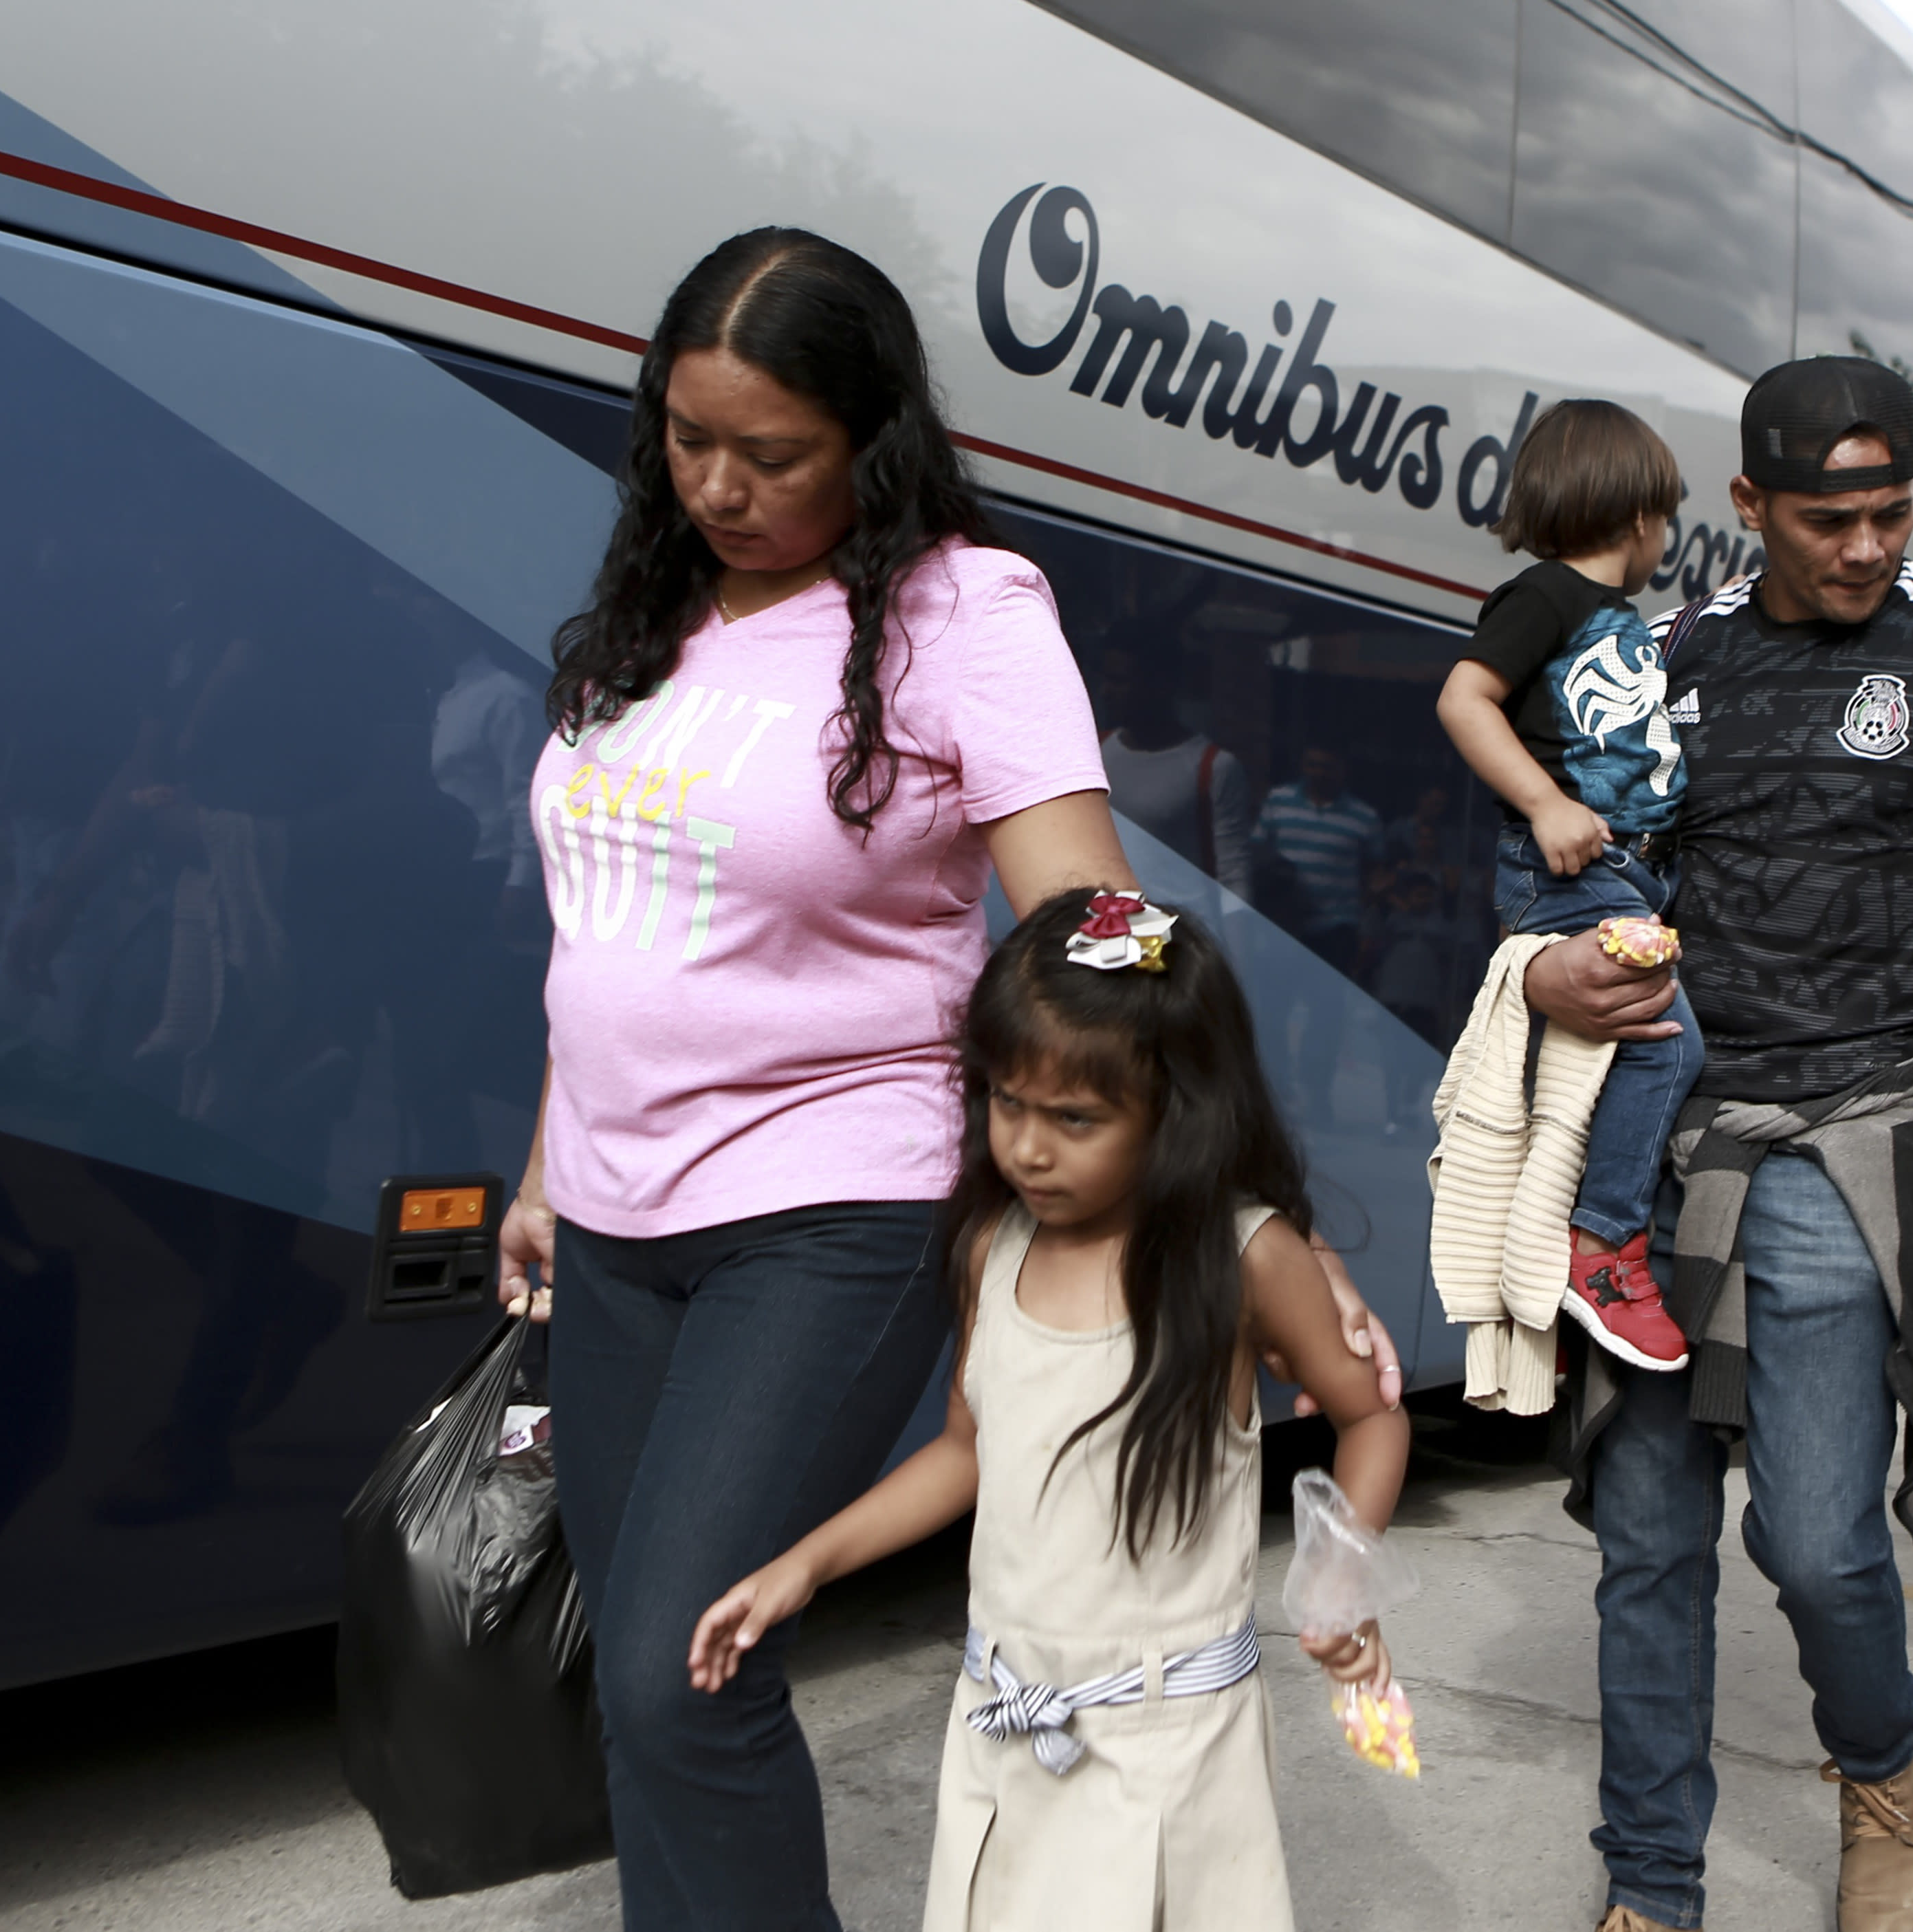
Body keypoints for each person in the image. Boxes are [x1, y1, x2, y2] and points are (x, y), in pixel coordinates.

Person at [490, 228, 1401, 1931]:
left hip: (830, 1204)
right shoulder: (653, 610)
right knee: (641, 1677)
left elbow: (1095, 929)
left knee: (683, 1666)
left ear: (872, 440)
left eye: (771, 457)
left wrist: (1245, 1194)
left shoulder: (959, 613)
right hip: (613, 1212)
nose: (716, 486)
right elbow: (604, 918)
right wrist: (546, 1158)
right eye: (686, 440)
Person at [1528, 358, 1913, 1932]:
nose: (1863, 548)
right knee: (1644, 1540)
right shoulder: (1654, 660)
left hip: (1847, 1143)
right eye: (1825, 518)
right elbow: (1581, 901)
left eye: (1888, 513)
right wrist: (1549, 971)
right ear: (1744, 507)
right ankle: (1649, 1882)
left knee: (1817, 1539)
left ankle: (1880, 1763)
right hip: (1660, 1152)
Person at [686, 891, 1410, 1931]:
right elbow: (965, 1449)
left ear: (1175, 1109)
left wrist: (1343, 1578)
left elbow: (1370, 1415)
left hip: (1167, 1744)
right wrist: (803, 1563)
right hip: (1001, 1723)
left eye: (1074, 1119)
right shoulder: (992, 1245)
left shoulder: (1244, 1257)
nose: (1027, 1148)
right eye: (1004, 1102)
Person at [1434, 397, 1704, 1370]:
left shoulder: (1611, 617)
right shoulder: (1542, 596)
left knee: (1643, 1044)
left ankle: (1574, 1226)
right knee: (1669, 1043)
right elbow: (1462, 698)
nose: (1664, 538)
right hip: (1572, 874)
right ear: (1637, 518)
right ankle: (1600, 1247)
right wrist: (1544, 802)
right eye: (1665, 519)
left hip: (1626, 871)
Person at [1251, 744, 1385, 1124]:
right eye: (1312, 764)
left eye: (1327, 765)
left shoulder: (1363, 818)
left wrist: (1367, 928)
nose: (1318, 772)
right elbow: (1257, 854)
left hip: (1336, 927)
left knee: (1326, 1018)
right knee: (1273, 1013)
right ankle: (1277, 1093)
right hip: (1281, 927)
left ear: (1342, 769)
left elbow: (1372, 875)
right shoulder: (1278, 803)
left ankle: (1316, 1093)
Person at [1093, 641, 1254, 899]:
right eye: (1106, 679)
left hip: (1176, 931)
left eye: (1120, 681)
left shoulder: (1213, 767)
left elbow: (1233, 876)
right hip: (1097, 925)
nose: (1106, 692)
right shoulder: (1092, 751)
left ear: (1160, 686)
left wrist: (1237, 938)